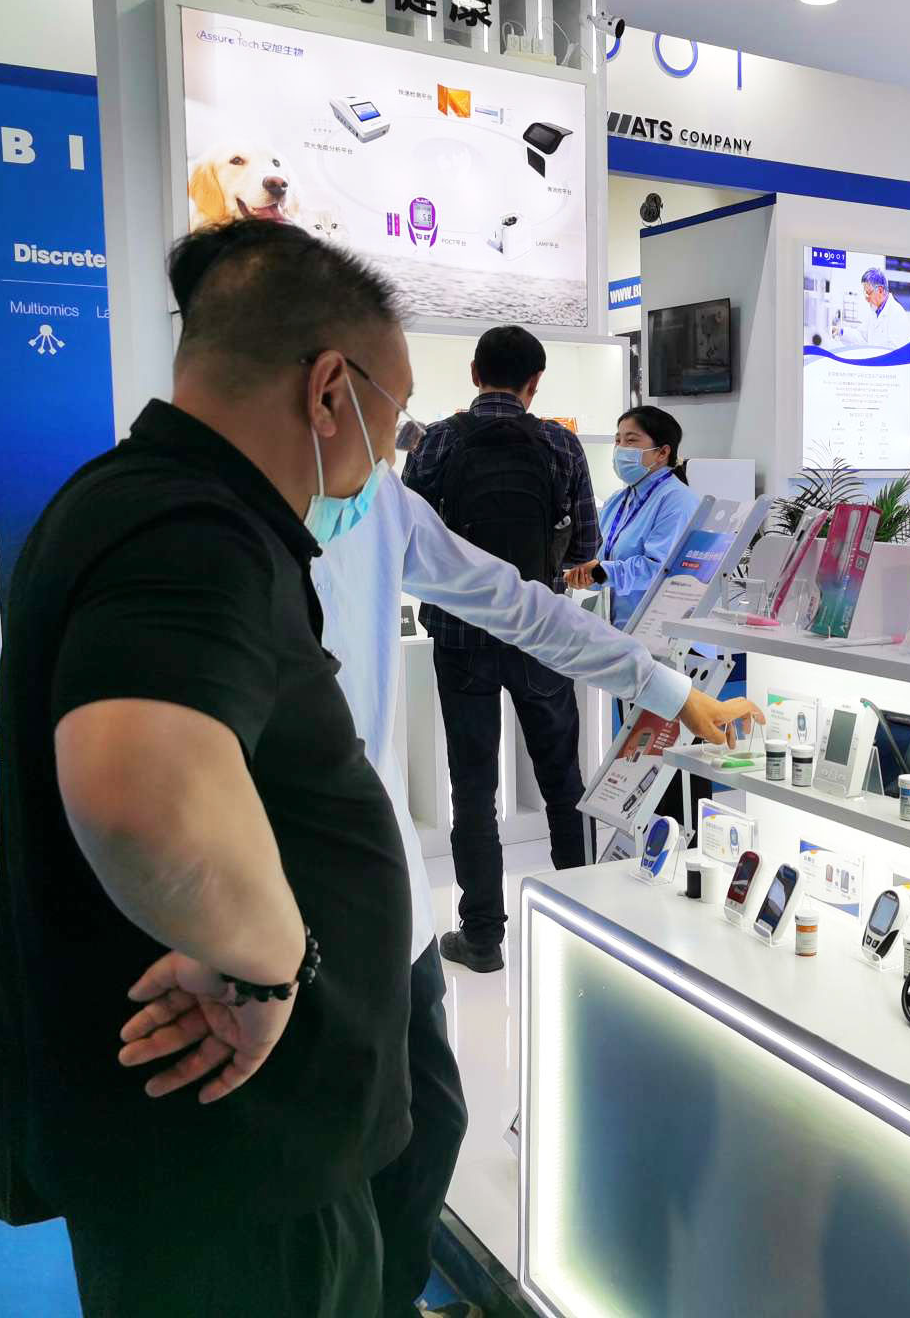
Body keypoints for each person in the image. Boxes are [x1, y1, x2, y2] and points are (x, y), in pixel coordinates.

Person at [0, 219, 416, 1314]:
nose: (387, 456)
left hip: (210, 1152)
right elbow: (140, 792)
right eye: (393, 419)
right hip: (238, 1160)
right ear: (330, 390)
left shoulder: (135, 501)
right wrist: (269, 964)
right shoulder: (193, 531)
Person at [313, 465, 758, 1315]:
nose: (395, 427)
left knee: (428, 1121)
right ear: (324, 396)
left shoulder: (379, 502)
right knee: (329, 1159)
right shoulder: (217, 517)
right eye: (387, 404)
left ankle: (389, 1300)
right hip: (290, 914)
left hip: (390, 895)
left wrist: (665, 689)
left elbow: (515, 601)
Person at [403, 325, 601, 973]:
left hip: (461, 635)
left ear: (473, 372)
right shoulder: (561, 444)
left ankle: (483, 937)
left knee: (473, 787)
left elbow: (411, 541)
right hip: (541, 630)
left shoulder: (435, 442)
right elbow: (584, 546)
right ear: (535, 382)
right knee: (563, 782)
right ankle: (583, 926)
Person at [563, 405, 698, 630]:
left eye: (631, 440)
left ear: (662, 452)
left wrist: (598, 572)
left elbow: (657, 569)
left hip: (655, 631)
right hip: (616, 629)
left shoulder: (678, 500)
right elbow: (602, 561)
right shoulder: (619, 500)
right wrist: (586, 575)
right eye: (618, 441)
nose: (620, 449)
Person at [833, 267, 910, 351]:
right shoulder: (875, 312)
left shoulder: (897, 313)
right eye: (865, 293)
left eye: (868, 293)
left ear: (880, 290)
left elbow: (894, 351)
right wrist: (840, 331)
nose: (866, 298)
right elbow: (862, 337)